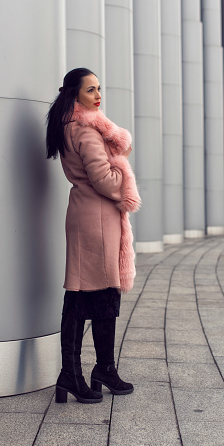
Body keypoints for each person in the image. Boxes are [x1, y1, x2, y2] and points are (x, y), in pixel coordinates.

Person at [46, 67, 141, 404]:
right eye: (90, 90)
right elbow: (104, 179)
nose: (98, 95)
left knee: (91, 292)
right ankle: (85, 372)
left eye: (99, 88)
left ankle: (92, 371)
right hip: (97, 217)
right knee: (90, 293)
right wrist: (122, 164)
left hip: (86, 213)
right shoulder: (86, 131)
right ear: (75, 95)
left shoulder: (69, 126)